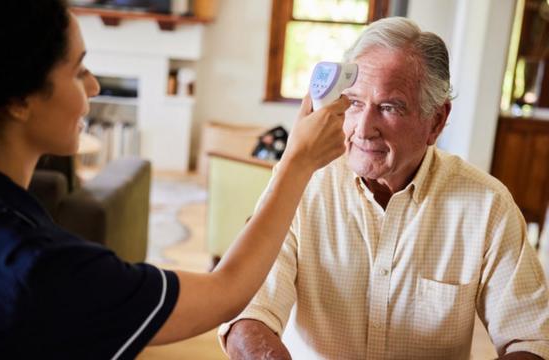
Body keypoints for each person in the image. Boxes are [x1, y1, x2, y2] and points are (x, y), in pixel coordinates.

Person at [0, 0, 351, 358]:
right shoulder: (41, 270)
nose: (95, 86)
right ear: (19, 98)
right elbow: (226, 291)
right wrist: (297, 162)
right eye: (78, 69)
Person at [221, 17, 549, 360]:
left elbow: (530, 340)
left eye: (389, 107)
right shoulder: (304, 184)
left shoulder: (487, 206)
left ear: (435, 121)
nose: (363, 129)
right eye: (354, 103)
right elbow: (247, 313)